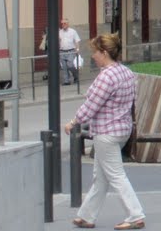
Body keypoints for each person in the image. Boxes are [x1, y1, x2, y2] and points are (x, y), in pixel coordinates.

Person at [65, 33, 145, 230]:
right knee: (101, 177)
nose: (93, 56)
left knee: (115, 175)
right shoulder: (126, 72)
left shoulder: (106, 76)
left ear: (104, 52)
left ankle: (135, 215)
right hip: (121, 129)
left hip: (106, 131)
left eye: (95, 52)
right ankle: (86, 215)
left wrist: (73, 121)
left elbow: (92, 105)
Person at [59, 18, 82, 85]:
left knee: (70, 65)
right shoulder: (60, 32)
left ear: (68, 24)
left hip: (71, 51)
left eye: (65, 23)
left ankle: (76, 76)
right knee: (64, 67)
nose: (63, 25)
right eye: (62, 24)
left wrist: (77, 50)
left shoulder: (73, 31)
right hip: (62, 51)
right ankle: (67, 81)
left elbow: (77, 41)